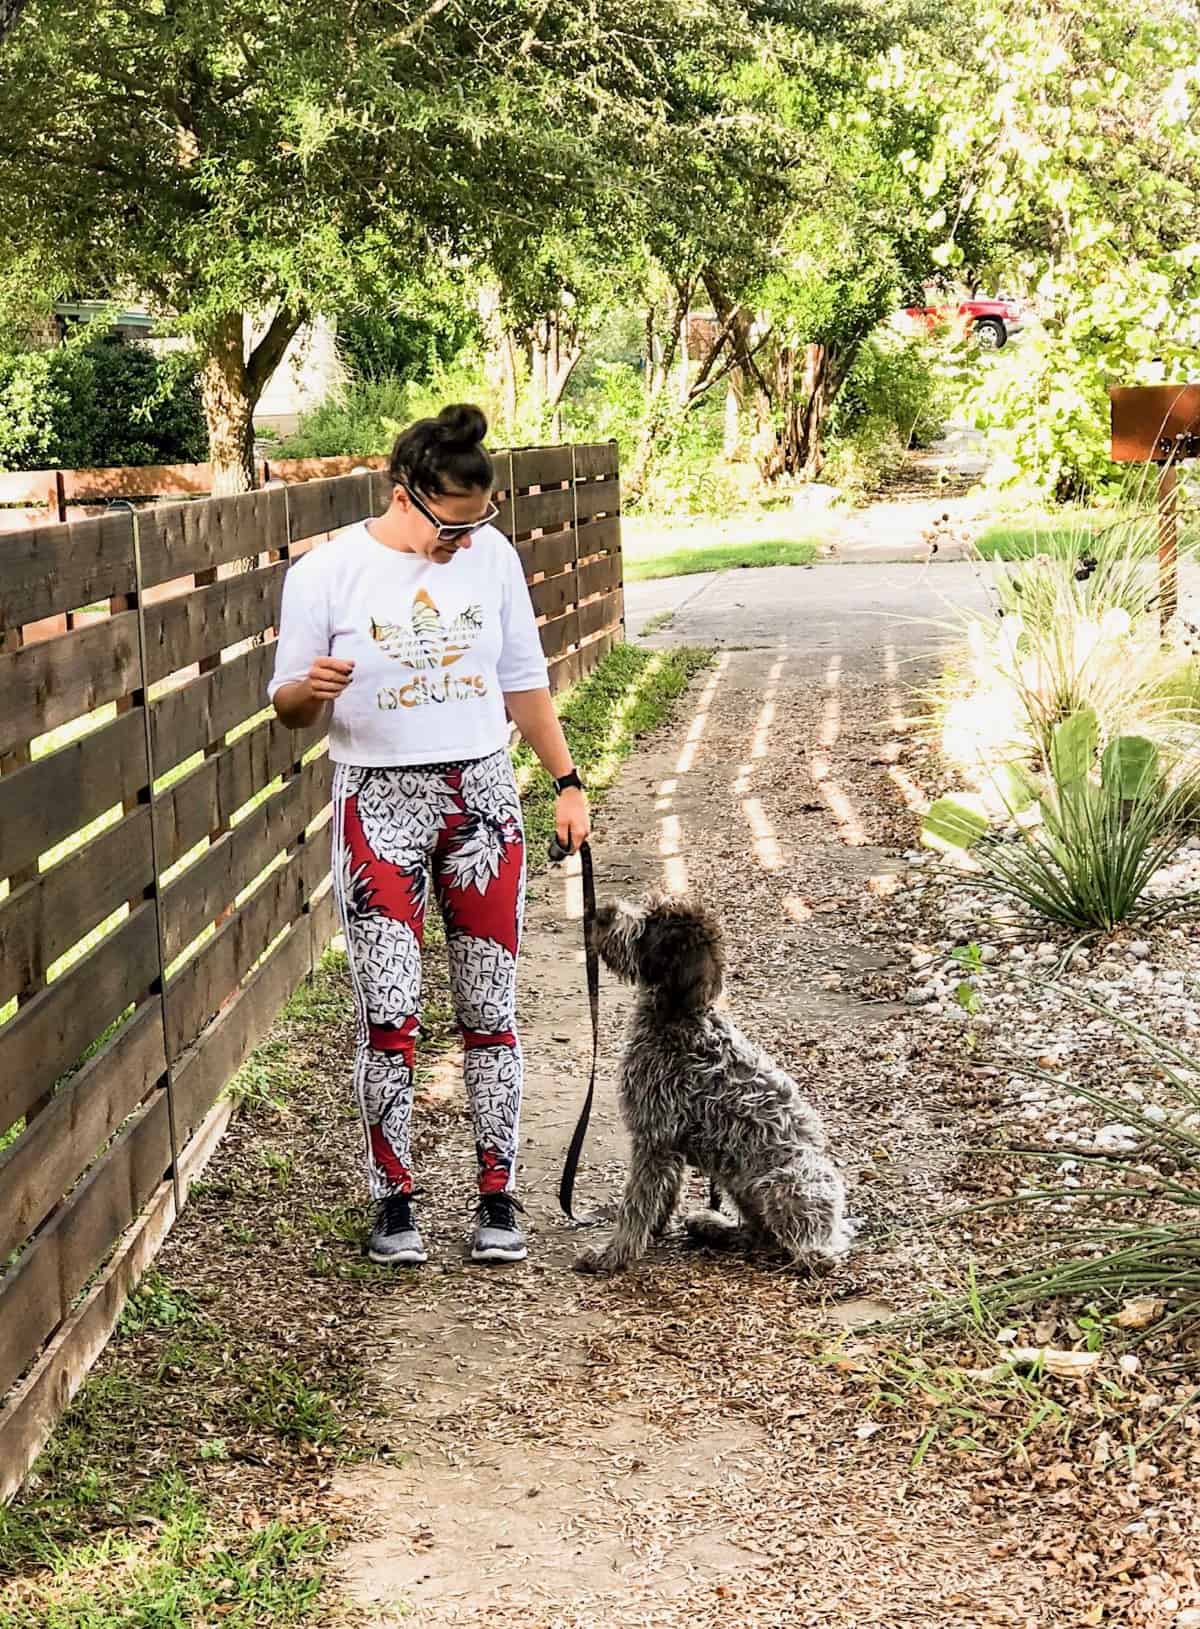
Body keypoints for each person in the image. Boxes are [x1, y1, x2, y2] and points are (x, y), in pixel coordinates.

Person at [268, 404, 590, 1267]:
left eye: (477, 521)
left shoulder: (493, 558)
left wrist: (566, 780)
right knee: (390, 1014)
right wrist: (314, 687)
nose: (463, 540)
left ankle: (498, 1194)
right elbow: (289, 709)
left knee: (491, 1009)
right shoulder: (327, 572)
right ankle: (394, 1201)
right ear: (401, 492)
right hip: (377, 801)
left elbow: (523, 678)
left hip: (481, 795)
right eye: (449, 524)